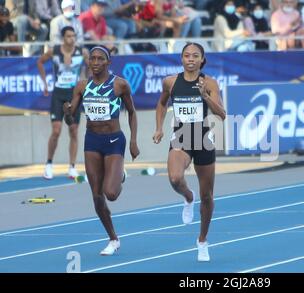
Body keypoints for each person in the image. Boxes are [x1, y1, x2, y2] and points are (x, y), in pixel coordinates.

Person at [152, 42, 226, 262]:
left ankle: (202, 241)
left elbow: (221, 113)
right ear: (181, 59)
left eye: (195, 55)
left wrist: (206, 96)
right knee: (175, 178)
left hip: (203, 137)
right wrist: (158, 127)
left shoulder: (210, 82)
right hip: (181, 135)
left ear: (202, 59)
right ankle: (187, 196)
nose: (191, 59)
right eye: (187, 55)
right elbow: (162, 104)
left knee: (207, 196)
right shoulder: (171, 82)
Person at [63, 45, 140, 255]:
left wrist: (133, 141)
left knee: (111, 193)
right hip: (92, 141)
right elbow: (71, 118)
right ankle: (113, 239)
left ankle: (119, 175)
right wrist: (68, 112)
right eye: (92, 59)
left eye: (100, 59)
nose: (95, 63)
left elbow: (132, 113)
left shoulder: (119, 85)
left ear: (108, 62)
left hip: (114, 140)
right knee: (97, 196)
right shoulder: (81, 86)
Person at [37, 26, 89, 179]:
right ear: (63, 38)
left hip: (74, 94)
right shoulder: (54, 51)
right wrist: (45, 84)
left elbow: (91, 66)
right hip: (58, 93)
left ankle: (72, 166)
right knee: (56, 130)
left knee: (73, 130)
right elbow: (40, 62)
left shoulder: (82, 52)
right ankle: (48, 164)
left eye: (73, 36)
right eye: (68, 36)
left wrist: (86, 81)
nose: (71, 39)